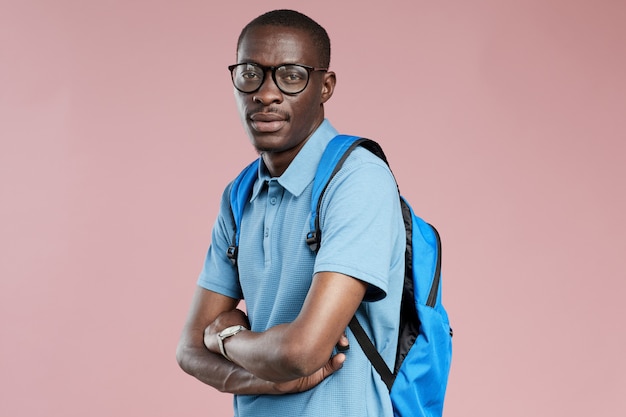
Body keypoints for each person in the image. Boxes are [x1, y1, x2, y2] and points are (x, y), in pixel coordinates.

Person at [176, 9, 405, 417]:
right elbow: (190, 350)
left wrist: (226, 338)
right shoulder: (240, 195)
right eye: (250, 74)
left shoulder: (357, 180)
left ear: (325, 86)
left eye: (291, 75)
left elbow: (303, 352)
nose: (266, 93)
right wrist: (270, 378)